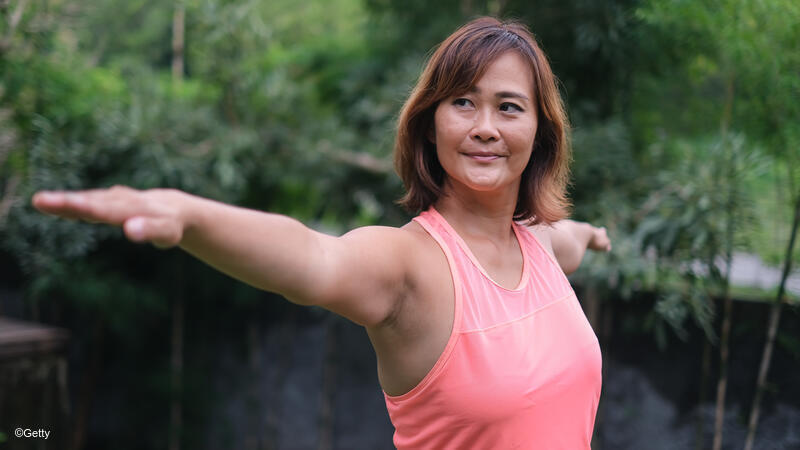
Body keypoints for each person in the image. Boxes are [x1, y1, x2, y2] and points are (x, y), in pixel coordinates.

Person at [33, 16, 610, 450]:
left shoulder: (541, 244)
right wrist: (190, 216)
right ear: (430, 125)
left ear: (540, 132)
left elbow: (569, 242)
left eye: (509, 107)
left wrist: (590, 233)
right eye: (463, 102)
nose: (485, 127)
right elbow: (313, 258)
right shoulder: (409, 265)